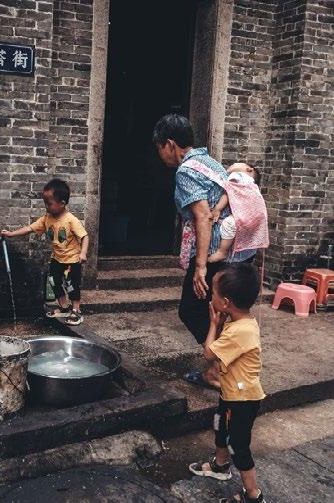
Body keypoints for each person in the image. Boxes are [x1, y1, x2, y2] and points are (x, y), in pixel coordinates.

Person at [153, 114, 257, 389]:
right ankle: (223, 368)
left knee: (191, 310)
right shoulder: (210, 162)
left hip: (215, 253)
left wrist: (200, 266)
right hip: (238, 250)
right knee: (219, 310)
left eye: (160, 147)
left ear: (170, 144)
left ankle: (217, 370)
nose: (160, 154)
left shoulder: (186, 170)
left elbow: (202, 217)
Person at [188, 263, 267, 503]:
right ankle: (220, 466)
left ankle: (253, 495)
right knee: (220, 425)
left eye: (213, 293)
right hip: (231, 394)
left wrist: (213, 324)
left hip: (242, 400)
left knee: (238, 445)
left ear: (225, 302)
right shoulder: (241, 321)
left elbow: (209, 354)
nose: (210, 297)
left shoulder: (239, 331)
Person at [1, 178, 88, 326]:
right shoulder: (46, 218)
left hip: (72, 260)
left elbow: (84, 236)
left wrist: (83, 253)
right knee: (53, 282)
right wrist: (11, 234)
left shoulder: (71, 220)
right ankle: (64, 307)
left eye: (49, 203)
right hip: (57, 259)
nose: (46, 206)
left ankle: (76, 311)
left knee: (71, 285)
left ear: (62, 203)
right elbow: (30, 228)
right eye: (45, 203)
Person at [208, 163, 261, 263]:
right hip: (254, 215)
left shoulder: (239, 176)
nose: (235, 164)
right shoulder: (251, 185)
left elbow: (228, 193)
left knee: (229, 224)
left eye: (239, 164)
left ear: (249, 170)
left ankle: (222, 252)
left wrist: (217, 209)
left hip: (246, 212)